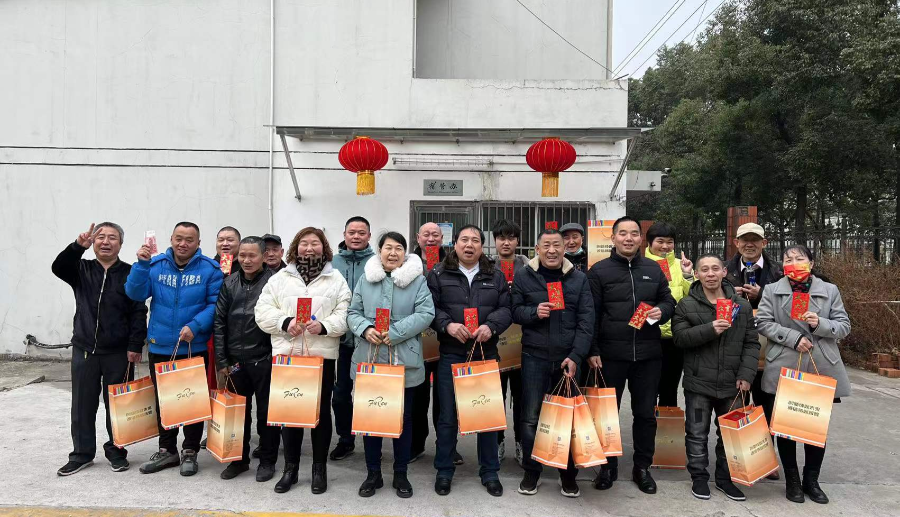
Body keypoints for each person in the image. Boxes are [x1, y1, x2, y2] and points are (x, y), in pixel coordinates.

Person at [255, 227, 351, 495]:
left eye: (315, 243)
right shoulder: (280, 278)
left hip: (321, 357)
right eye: (304, 243)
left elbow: (345, 312)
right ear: (295, 248)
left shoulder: (335, 279)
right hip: (288, 357)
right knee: (291, 414)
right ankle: (291, 469)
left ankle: (319, 469)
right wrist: (285, 322)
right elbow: (262, 311)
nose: (309, 248)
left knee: (320, 414)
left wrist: (325, 326)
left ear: (324, 248)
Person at [125, 221, 224, 476]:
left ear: (198, 243)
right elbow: (135, 294)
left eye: (189, 239)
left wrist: (196, 325)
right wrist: (141, 265)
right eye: (179, 238)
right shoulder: (155, 265)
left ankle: (190, 451)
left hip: (193, 346)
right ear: (171, 239)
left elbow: (215, 304)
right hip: (161, 346)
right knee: (164, 401)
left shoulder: (210, 270)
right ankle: (167, 450)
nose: (183, 244)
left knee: (192, 402)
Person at [586, 216, 676, 494]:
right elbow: (591, 314)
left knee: (645, 414)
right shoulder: (599, 271)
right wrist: (593, 350)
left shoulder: (653, 268)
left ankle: (642, 467)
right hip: (610, 356)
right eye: (622, 233)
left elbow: (668, 299)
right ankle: (607, 466)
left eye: (634, 233)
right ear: (612, 238)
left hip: (648, 355)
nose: (628, 238)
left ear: (641, 239)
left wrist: (663, 311)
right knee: (607, 414)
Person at [52, 222, 149, 476]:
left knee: (118, 405)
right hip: (84, 349)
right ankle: (81, 454)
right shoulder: (81, 269)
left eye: (112, 237)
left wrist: (135, 345)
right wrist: (77, 247)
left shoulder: (130, 273)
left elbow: (139, 311)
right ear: (93, 242)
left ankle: (117, 451)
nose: (106, 242)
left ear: (121, 243)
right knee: (82, 405)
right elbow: (58, 267)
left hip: (118, 352)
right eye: (101, 237)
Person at [757, 245, 850, 505]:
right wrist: (793, 337)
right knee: (786, 428)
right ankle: (793, 481)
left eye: (800, 258)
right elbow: (763, 322)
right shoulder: (772, 290)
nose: (794, 262)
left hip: (820, 365)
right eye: (788, 259)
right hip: (786, 362)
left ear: (811, 262)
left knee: (814, 427)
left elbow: (844, 325)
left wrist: (819, 324)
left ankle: (812, 480)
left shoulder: (829, 290)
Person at [347, 232, 435, 498]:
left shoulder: (417, 281)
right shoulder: (366, 279)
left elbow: (426, 313)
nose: (393, 253)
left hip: (403, 361)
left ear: (405, 254)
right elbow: (352, 312)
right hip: (370, 358)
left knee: (403, 420)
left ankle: (400, 473)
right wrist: (365, 329)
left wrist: (395, 332)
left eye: (398, 248)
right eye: (388, 248)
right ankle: (373, 473)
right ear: (380, 251)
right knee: (370, 418)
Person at [427, 225, 512, 497]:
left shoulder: (495, 275)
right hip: (452, 353)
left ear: (482, 246)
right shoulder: (439, 273)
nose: (469, 244)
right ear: (454, 244)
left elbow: (506, 308)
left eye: (475, 240)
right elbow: (430, 308)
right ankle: (444, 470)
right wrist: (447, 325)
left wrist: (492, 326)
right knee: (448, 416)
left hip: (485, 354)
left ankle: (490, 472)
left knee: (486, 416)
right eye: (464, 239)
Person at [512, 229, 594, 497]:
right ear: (537, 249)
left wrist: (576, 356)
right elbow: (515, 311)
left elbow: (586, 321)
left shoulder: (578, 278)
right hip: (534, 356)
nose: (552, 250)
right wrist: (533, 312)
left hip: (567, 359)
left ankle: (568, 474)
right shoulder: (524, 276)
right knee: (531, 417)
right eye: (546, 245)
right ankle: (531, 471)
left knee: (568, 418)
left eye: (557, 245)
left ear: (564, 248)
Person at [671, 254, 759, 502]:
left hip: (733, 383)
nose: (710, 274)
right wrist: (710, 329)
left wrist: (746, 374)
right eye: (704, 270)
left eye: (715, 269)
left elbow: (751, 343)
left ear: (724, 272)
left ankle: (725, 478)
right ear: (697, 274)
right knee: (696, 433)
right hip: (699, 382)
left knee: (730, 434)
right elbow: (680, 338)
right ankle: (699, 477)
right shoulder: (686, 305)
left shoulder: (741, 306)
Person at [213, 236, 279, 482]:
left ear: (263, 256)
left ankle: (268, 461)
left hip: (264, 358)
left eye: (252, 255)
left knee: (266, 414)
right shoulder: (229, 282)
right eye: (243, 255)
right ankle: (238, 460)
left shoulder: (275, 282)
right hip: (235, 360)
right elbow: (219, 323)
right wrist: (222, 361)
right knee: (237, 413)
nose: (247, 260)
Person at [725, 222, 783, 479]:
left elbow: (789, 307)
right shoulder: (723, 271)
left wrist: (763, 295)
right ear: (736, 243)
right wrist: (731, 296)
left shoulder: (779, 273)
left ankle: (764, 459)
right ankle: (736, 458)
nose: (749, 244)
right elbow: (712, 304)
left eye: (755, 240)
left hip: (769, 352)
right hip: (734, 351)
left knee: (766, 406)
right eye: (744, 240)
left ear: (764, 243)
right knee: (735, 406)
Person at [409, 222, 461, 465]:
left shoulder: (452, 263)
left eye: (435, 235)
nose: (431, 239)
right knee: (417, 396)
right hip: (416, 338)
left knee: (446, 398)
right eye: (426, 235)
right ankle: (416, 444)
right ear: (417, 237)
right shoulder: (407, 263)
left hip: (445, 337)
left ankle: (447, 446)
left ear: (443, 238)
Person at [330, 216, 376, 461]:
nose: (356, 236)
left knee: (371, 393)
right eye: (352, 232)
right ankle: (345, 439)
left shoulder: (377, 262)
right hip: (339, 340)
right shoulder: (331, 262)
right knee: (340, 394)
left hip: (369, 338)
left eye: (361, 232)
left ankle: (374, 442)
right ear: (344, 234)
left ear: (369, 236)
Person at [644, 222, 694, 407]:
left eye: (670, 241)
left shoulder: (683, 265)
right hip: (648, 336)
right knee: (647, 389)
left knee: (670, 389)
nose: (665, 246)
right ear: (649, 242)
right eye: (660, 241)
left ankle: (667, 425)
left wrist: (687, 275)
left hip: (675, 337)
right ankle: (647, 423)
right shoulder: (640, 265)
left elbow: (693, 297)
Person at [491, 219, 528, 465]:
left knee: (523, 398)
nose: (506, 242)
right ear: (495, 241)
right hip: (495, 342)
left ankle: (522, 442)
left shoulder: (530, 268)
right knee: (496, 397)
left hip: (524, 344)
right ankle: (497, 442)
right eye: (501, 238)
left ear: (517, 241)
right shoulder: (486, 268)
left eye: (511, 238)